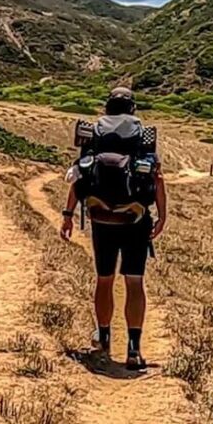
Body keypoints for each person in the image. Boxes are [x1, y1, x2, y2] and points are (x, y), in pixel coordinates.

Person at [60, 86, 167, 370]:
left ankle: (104, 336)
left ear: (107, 107)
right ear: (132, 108)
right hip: (135, 220)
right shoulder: (143, 136)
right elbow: (157, 180)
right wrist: (162, 217)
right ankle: (134, 348)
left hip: (101, 219)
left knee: (104, 279)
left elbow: (79, 175)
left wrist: (68, 214)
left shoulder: (95, 134)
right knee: (134, 282)